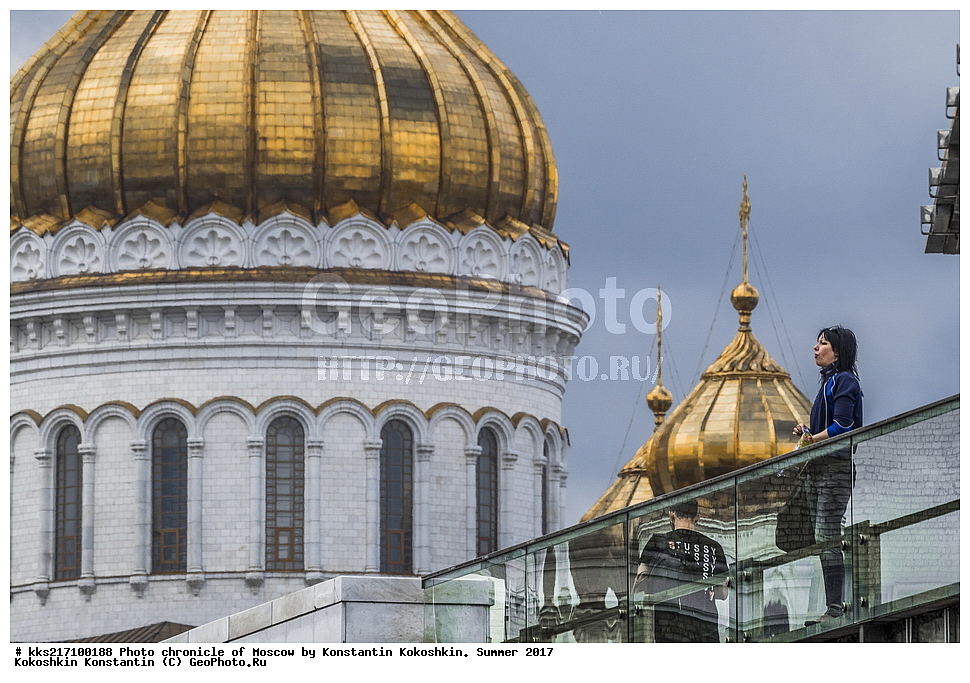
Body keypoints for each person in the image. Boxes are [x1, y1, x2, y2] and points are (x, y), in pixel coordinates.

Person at [792, 325, 863, 625]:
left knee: (827, 535)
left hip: (835, 468)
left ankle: (836, 607)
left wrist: (813, 439)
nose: (815, 348)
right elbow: (829, 429)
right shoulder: (828, 383)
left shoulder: (844, 380)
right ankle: (832, 605)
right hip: (820, 468)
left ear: (838, 352)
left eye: (822, 344)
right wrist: (808, 434)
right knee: (822, 537)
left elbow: (844, 427)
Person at [633, 500, 728, 642]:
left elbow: (641, 583)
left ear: (671, 514)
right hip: (706, 627)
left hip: (669, 628)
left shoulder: (657, 541)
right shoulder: (714, 547)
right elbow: (722, 593)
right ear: (697, 517)